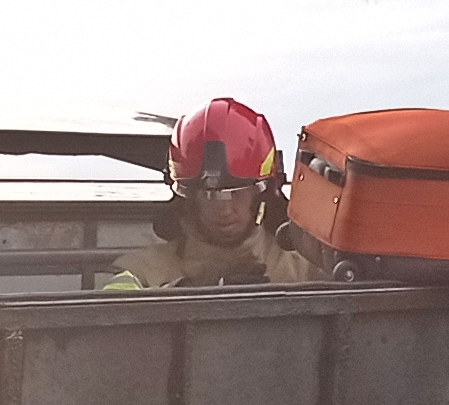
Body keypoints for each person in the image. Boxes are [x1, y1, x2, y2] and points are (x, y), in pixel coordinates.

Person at [101, 96, 329, 292]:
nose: (225, 209)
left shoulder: (306, 268)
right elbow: (109, 318)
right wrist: (186, 296)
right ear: (188, 198)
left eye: (237, 193)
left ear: (262, 192)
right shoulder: (140, 272)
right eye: (210, 195)